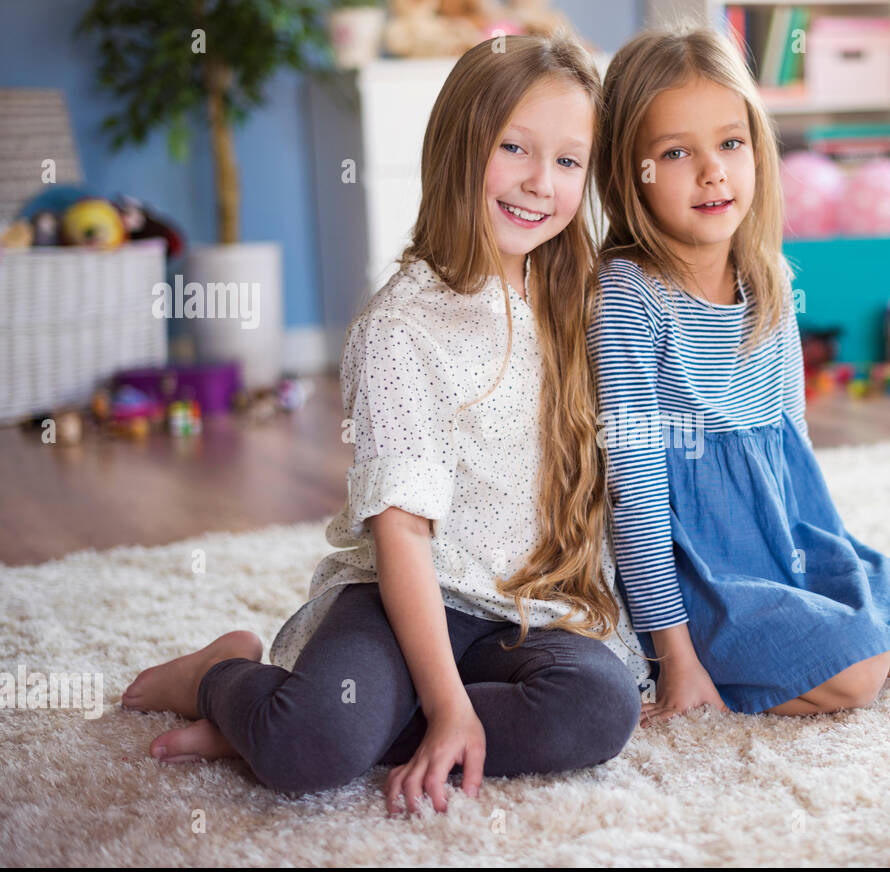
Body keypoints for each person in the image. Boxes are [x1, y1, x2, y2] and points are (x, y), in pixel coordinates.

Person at [122, 32, 648, 816]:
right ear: (458, 147)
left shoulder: (578, 298)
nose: (542, 183)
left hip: (521, 613)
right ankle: (216, 676)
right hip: (404, 593)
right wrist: (445, 705)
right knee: (312, 750)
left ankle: (336, 718)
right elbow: (403, 535)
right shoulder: (400, 328)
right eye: (515, 148)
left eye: (570, 161)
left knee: (602, 707)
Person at [587, 26, 890, 724]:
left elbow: (793, 457)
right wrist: (676, 655)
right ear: (627, 173)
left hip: (785, 540)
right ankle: (693, 672)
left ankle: (806, 646)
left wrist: (830, 573)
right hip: (696, 574)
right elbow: (635, 496)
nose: (713, 172)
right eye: (676, 153)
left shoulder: (769, 280)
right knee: (859, 672)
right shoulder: (627, 297)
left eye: (731, 143)